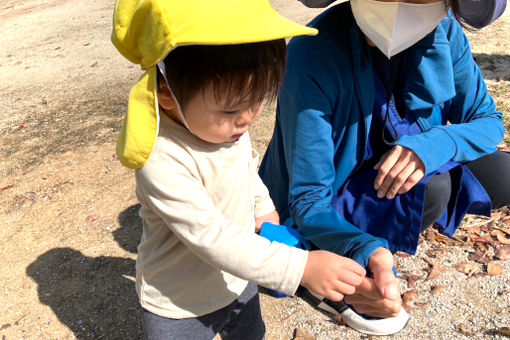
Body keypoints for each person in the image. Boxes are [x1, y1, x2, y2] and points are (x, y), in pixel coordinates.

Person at [111, 0, 370, 339]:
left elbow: (245, 171)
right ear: (167, 93)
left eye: (259, 99)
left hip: (238, 279)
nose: (248, 118)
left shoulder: (222, 127)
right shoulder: (162, 159)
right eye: (232, 108)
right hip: (178, 304)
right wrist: (299, 268)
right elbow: (210, 236)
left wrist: (262, 206)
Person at [259, 0, 509, 335]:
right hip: (329, 199)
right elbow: (307, 200)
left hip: (391, 173)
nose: (399, 6)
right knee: (434, 190)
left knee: (503, 172)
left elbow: (489, 123)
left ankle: (388, 231)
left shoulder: (446, 35)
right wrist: (365, 249)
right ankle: (348, 255)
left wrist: (435, 144)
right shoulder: (312, 53)